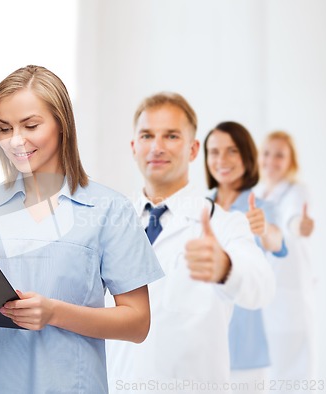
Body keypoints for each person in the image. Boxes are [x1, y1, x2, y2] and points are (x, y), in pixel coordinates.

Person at [0, 65, 164, 393]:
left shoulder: (110, 210)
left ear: (62, 124)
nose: (15, 141)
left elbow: (137, 324)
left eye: (31, 125)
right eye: (4, 128)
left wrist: (53, 313)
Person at [106, 93, 275, 393]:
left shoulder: (223, 223)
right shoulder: (111, 224)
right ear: (134, 147)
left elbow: (261, 287)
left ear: (194, 148)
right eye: (147, 135)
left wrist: (226, 267)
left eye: (171, 135)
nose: (157, 147)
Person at [203, 121, 288, 394]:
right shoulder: (198, 207)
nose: (222, 160)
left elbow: (277, 241)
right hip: (204, 342)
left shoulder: (261, 208)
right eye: (214, 152)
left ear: (247, 157)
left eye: (232, 151)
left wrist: (264, 230)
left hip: (246, 349)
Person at [255, 131, 317, 387]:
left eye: (280, 155)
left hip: (289, 296)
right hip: (267, 294)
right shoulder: (257, 193)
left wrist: (299, 225)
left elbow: (293, 218)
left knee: (294, 372)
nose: (271, 160)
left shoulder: (296, 191)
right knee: (272, 371)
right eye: (267, 153)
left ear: (291, 161)